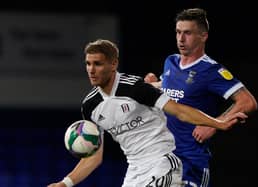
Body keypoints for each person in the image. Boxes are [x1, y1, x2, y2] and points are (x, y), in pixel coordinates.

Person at [47, 39, 247, 187]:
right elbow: (94, 157)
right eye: (88, 64)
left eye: (97, 64)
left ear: (114, 64)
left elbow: (180, 111)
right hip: (134, 172)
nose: (91, 69)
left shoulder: (136, 88)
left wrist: (218, 123)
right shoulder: (90, 105)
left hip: (162, 163)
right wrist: (65, 183)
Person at [144, 8, 258, 187]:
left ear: (203, 36)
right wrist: (152, 85)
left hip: (190, 165)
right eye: (178, 32)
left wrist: (214, 124)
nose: (181, 39)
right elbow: (171, 88)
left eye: (187, 33)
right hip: (161, 161)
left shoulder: (211, 70)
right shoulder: (171, 61)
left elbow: (247, 102)